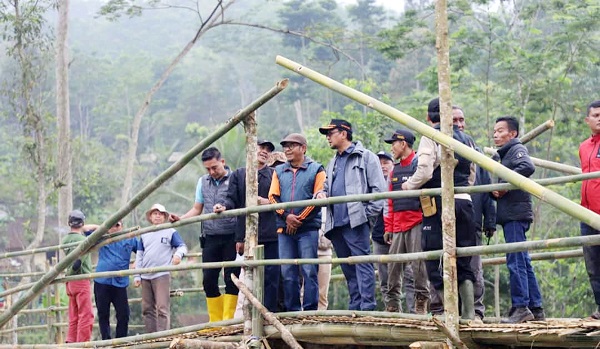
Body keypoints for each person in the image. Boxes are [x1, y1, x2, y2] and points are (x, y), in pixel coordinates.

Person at [401, 98, 477, 320]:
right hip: (464, 201)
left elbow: (424, 170)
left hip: (438, 202)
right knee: (463, 256)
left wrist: (409, 185)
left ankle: (449, 313)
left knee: (435, 258)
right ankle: (469, 314)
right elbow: (472, 172)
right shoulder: (467, 139)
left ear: (428, 117)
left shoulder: (430, 135)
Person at [317, 119, 387, 311]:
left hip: (356, 221)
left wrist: (365, 215)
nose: (327, 137)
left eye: (331, 133)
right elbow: (326, 187)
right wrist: (321, 193)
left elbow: (379, 191)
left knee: (362, 263)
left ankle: (367, 307)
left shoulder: (366, 157)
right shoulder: (332, 162)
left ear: (344, 133)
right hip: (336, 223)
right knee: (348, 267)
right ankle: (355, 305)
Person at [172, 147, 239, 323]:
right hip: (210, 236)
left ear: (222, 162)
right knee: (208, 280)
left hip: (232, 236)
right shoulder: (203, 182)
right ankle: (215, 321)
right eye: (208, 169)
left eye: (214, 167)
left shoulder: (235, 179)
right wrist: (181, 218)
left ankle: (228, 321)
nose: (212, 172)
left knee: (231, 278)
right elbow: (197, 208)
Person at [214, 139, 279, 313]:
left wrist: (266, 202)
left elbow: (279, 200)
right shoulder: (239, 174)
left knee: (272, 275)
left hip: (271, 232)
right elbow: (232, 199)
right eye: (261, 147)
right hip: (248, 234)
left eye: (268, 149)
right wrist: (223, 206)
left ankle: (269, 313)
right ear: (251, 149)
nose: (264, 151)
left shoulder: (274, 174)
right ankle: (248, 314)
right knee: (248, 275)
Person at [491, 116, 544, 323]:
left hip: (515, 213)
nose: (496, 134)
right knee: (522, 260)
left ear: (512, 134)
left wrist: (504, 185)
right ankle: (535, 307)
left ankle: (520, 307)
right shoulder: (503, 154)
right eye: (494, 131)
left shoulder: (516, 150)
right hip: (511, 213)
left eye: (501, 131)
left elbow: (527, 167)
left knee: (515, 261)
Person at [268, 133, 325, 311]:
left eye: (292, 145)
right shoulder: (278, 171)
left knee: (309, 270)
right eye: (285, 146)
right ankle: (292, 310)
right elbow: (272, 197)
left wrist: (298, 219)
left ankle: (310, 311)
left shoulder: (317, 169)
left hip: (308, 228)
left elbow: (318, 197)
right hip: (284, 229)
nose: (287, 149)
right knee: (287, 271)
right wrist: (287, 217)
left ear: (303, 148)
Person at [453, 106, 496, 321]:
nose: (459, 124)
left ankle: (476, 311)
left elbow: (486, 186)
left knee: (473, 266)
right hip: (449, 217)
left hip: (474, 217)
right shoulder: (443, 146)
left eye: (462, 119)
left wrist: (490, 219)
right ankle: (453, 310)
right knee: (450, 264)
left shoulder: (475, 150)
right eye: (455, 120)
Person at [384, 130, 430, 314]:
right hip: (397, 224)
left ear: (403, 144)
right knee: (393, 265)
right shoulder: (394, 170)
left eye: (393, 143)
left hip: (417, 221)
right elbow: (388, 201)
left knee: (419, 265)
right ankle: (393, 303)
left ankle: (421, 301)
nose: (392, 148)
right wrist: (388, 227)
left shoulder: (418, 164)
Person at [134, 204, 187, 332]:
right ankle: (151, 338)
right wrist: (137, 275)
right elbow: (139, 255)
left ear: (164, 217)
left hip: (162, 274)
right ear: (150, 217)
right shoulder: (145, 234)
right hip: (145, 274)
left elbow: (182, 246)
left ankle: (162, 337)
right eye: (155, 213)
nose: (157, 216)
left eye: (160, 214)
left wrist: (178, 255)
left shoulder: (170, 231)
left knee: (162, 307)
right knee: (147, 309)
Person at [93, 220, 137, 339]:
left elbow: (142, 251)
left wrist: (137, 261)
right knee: (103, 314)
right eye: (112, 225)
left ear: (121, 226)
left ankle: (120, 341)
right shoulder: (102, 237)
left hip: (120, 283)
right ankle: (106, 341)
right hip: (102, 282)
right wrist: (102, 227)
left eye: (117, 225)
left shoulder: (129, 238)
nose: (115, 228)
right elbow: (85, 229)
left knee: (124, 314)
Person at [62, 210, 95, 343]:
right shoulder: (83, 240)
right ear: (82, 223)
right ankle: (83, 343)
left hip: (70, 282)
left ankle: (71, 341)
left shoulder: (65, 240)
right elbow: (78, 263)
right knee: (86, 314)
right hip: (81, 279)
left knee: (74, 315)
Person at [580, 100, 600, 319]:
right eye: (595, 115)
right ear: (587, 120)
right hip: (585, 213)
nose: (599, 118)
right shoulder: (584, 146)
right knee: (593, 264)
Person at [372, 151, 394, 311]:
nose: (382, 166)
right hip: (379, 236)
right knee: (384, 277)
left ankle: (416, 311)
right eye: (379, 163)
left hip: (400, 232)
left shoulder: (398, 180)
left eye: (386, 162)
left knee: (409, 274)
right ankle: (391, 309)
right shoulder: (372, 184)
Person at [317, 207, 333, 310]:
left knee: (323, 291)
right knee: (303, 289)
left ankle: (321, 314)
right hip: (306, 248)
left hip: (325, 251)